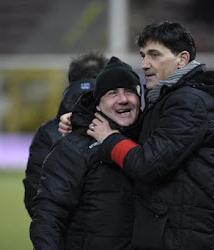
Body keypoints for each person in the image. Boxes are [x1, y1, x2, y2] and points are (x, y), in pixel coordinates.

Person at [86, 21, 214, 250]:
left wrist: (109, 138)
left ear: (181, 59)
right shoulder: (171, 98)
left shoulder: (188, 102)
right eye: (143, 55)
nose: (144, 64)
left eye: (154, 55)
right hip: (180, 229)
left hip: (186, 236)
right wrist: (78, 120)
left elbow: (147, 164)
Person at [30, 56, 142, 250]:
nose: (123, 99)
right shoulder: (73, 147)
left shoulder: (152, 138)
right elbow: (48, 216)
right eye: (112, 93)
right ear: (98, 104)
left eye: (129, 91)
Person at [23, 51, 108, 218]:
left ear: (71, 81)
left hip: (61, 234)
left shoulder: (47, 131)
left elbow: (34, 189)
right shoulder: (119, 125)